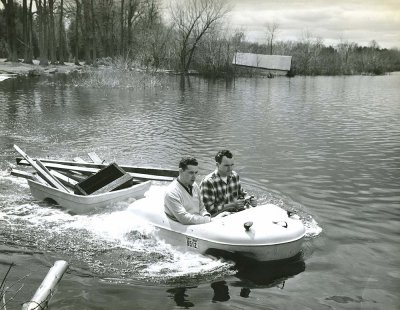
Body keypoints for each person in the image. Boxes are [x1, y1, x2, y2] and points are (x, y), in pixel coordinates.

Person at [200, 150, 257, 216]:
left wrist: (250, 200)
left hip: (235, 214)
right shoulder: (208, 182)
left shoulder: (235, 176)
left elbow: (242, 194)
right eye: (226, 165)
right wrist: (232, 205)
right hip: (219, 218)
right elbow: (208, 210)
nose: (230, 169)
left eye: (232, 165)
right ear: (217, 165)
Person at [164, 157, 211, 225]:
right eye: (191, 173)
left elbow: (201, 208)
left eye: (196, 173)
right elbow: (184, 218)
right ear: (180, 171)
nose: (194, 177)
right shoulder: (172, 192)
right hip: (183, 227)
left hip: (198, 223)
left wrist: (206, 215)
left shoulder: (194, 185)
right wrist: (207, 220)